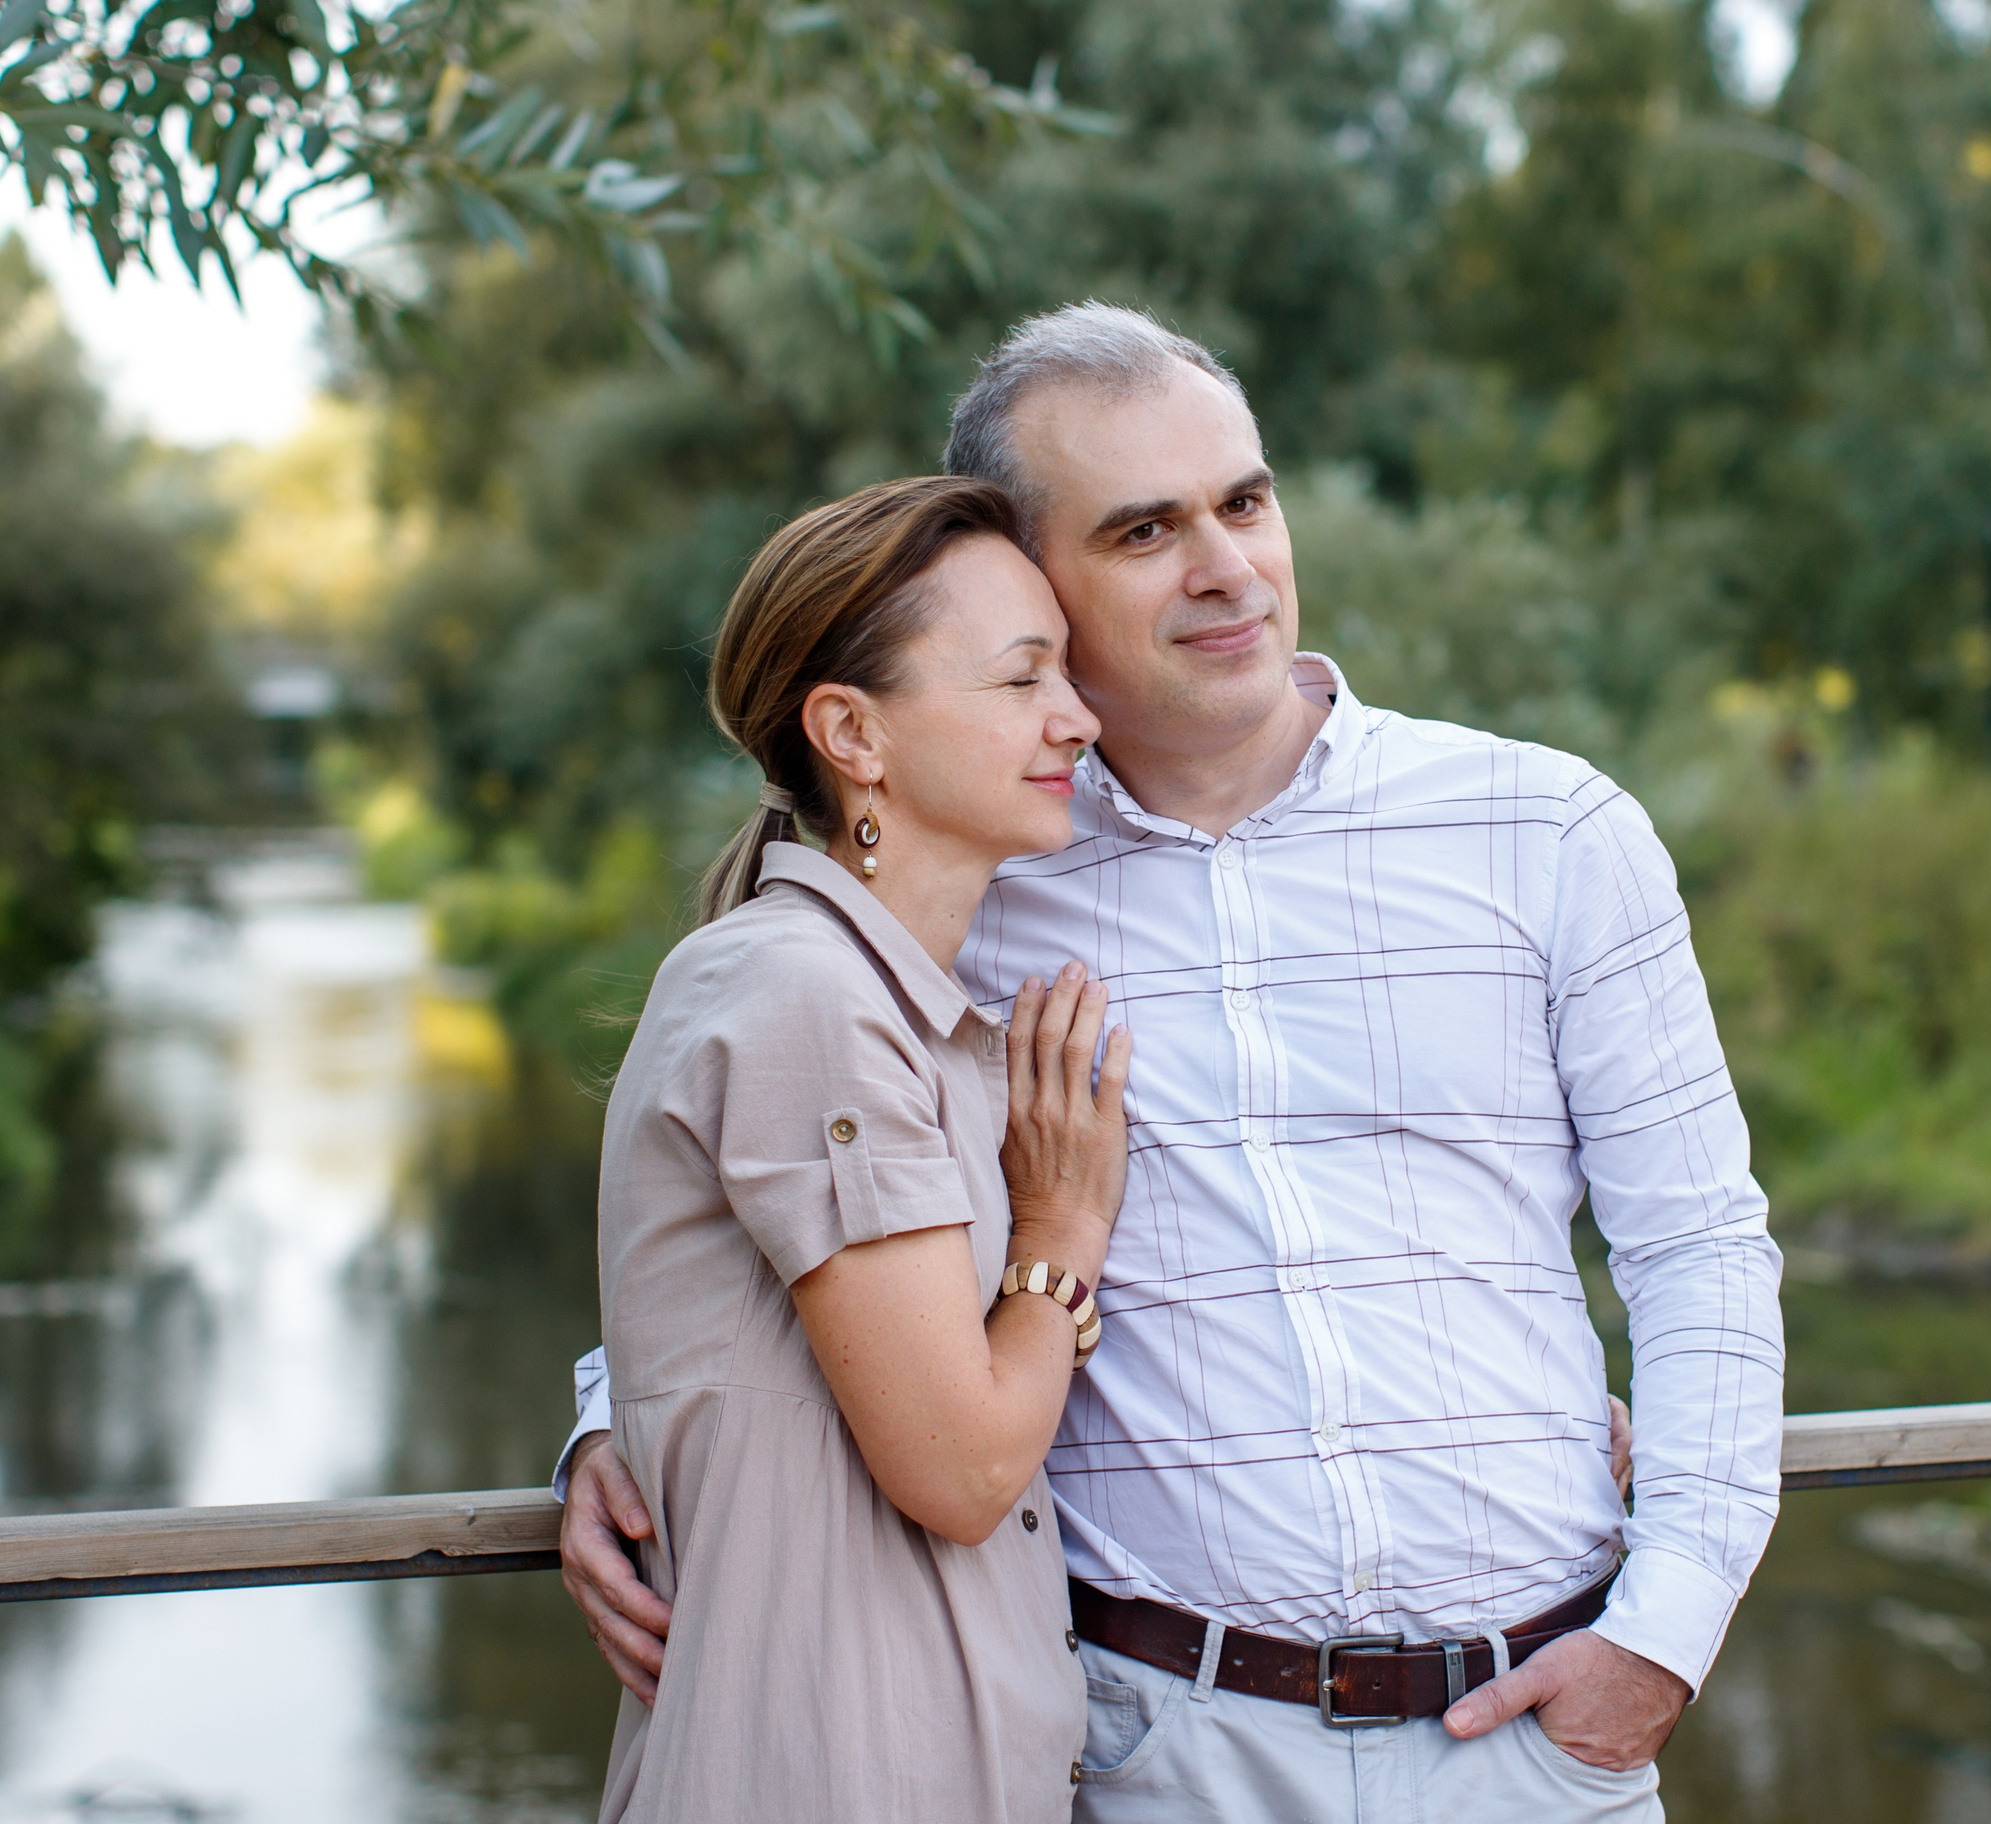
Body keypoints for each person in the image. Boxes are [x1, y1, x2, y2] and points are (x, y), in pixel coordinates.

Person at [559, 306, 1785, 1823]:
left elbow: (1700, 1246)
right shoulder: (965, 876)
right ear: (1032, 581)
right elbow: (759, 1166)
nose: (1226, 569)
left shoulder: (1548, 832)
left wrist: (1663, 1636)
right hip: (1152, 1754)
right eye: (1144, 530)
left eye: (1245, 503)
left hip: (1538, 1745)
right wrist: (615, 1423)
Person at [590, 474, 1134, 1821]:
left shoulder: (879, 1000)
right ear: (852, 733)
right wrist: (1061, 1234)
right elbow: (961, 1469)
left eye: (1065, 674)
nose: (1077, 717)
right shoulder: (808, 997)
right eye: (1021, 678)